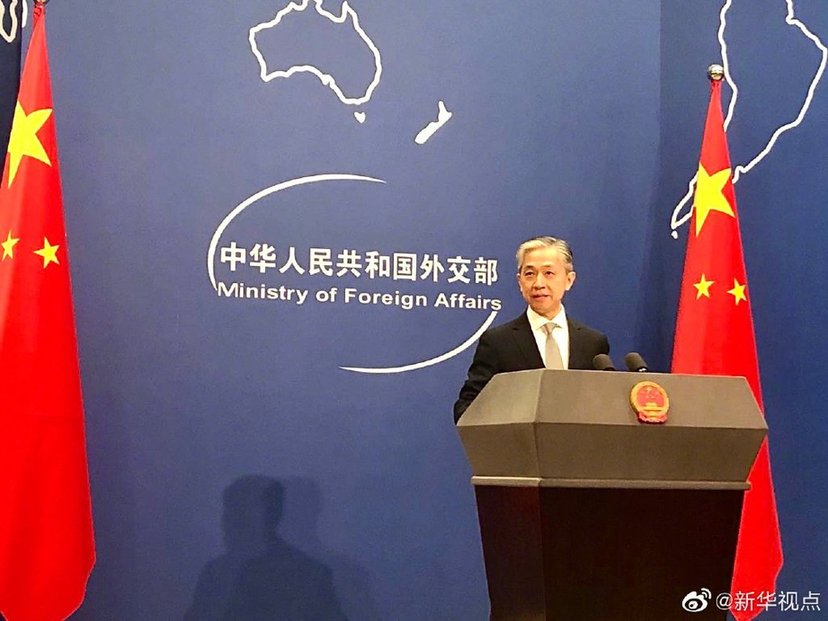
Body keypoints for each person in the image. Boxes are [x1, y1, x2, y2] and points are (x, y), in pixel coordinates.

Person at [453, 236, 609, 422]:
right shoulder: (498, 342)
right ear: (520, 282)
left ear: (569, 280)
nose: (538, 283)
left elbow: (604, 407)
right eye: (530, 274)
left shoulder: (592, 343)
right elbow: (468, 408)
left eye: (549, 273)